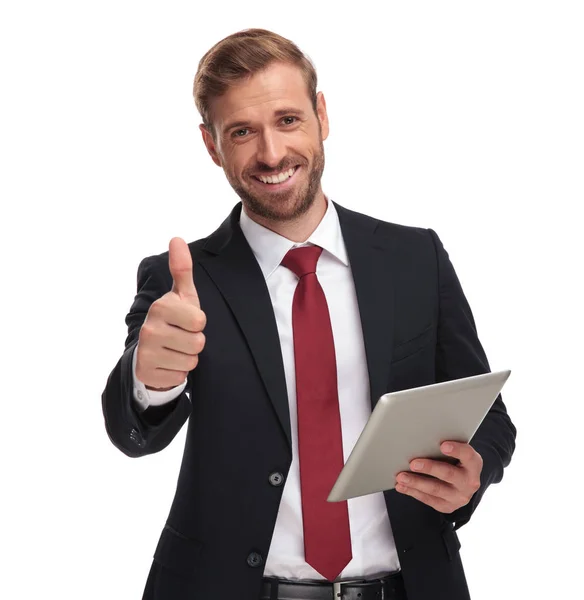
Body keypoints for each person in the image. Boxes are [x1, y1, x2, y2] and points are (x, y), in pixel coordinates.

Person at [101, 28, 516, 600]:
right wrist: (150, 380)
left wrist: (474, 473)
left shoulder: (415, 257)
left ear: (322, 115)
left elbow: (488, 414)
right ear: (211, 144)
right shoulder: (182, 280)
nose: (271, 154)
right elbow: (132, 432)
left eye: (288, 120)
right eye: (242, 132)